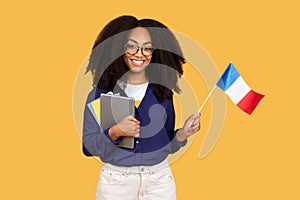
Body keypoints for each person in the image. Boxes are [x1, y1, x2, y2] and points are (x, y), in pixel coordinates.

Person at [83, 15, 200, 200]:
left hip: (159, 181)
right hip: (116, 183)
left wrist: (183, 134)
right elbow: (88, 147)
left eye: (147, 48)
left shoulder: (163, 93)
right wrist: (115, 132)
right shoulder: (100, 94)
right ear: (118, 48)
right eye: (131, 46)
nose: (140, 54)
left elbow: (166, 144)